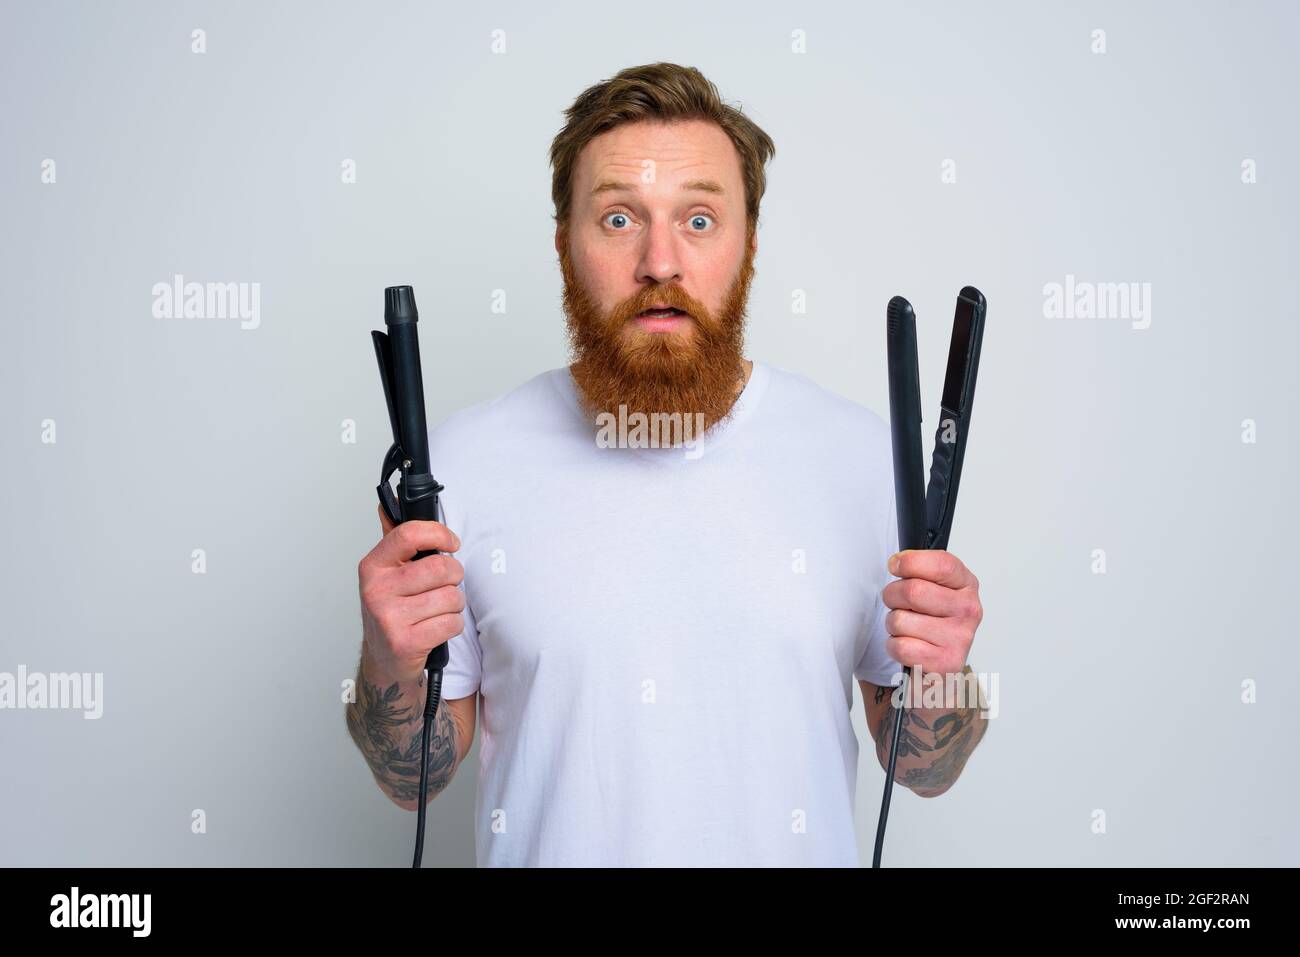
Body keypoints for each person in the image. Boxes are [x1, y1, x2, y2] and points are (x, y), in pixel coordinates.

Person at [347, 62, 988, 867]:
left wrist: (945, 672)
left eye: (698, 219)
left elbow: (922, 767)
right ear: (562, 245)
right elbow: (412, 777)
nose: (659, 261)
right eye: (618, 219)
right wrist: (388, 657)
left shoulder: (864, 461)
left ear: (748, 243)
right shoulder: (461, 467)